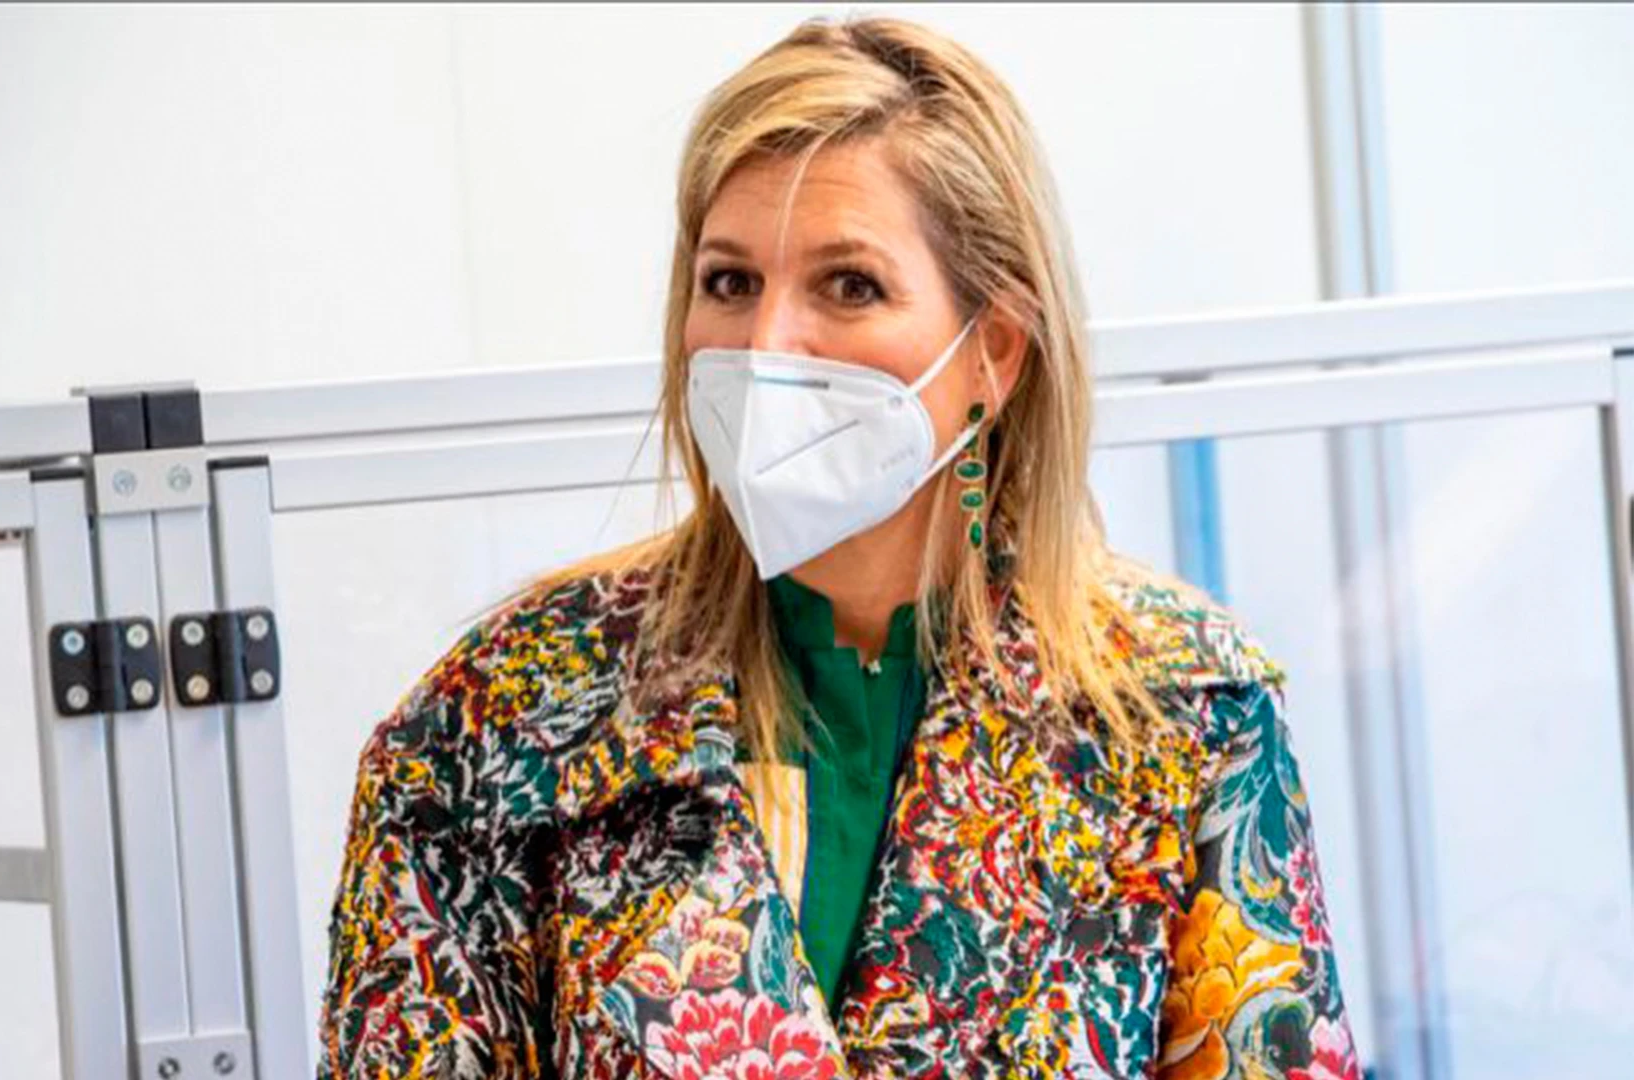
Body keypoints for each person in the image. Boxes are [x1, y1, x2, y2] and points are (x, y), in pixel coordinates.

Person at [317, 14, 1361, 1080]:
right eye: (731, 283)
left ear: (994, 352)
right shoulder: (495, 718)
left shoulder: (1185, 711)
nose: (767, 345)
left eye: (849, 285)